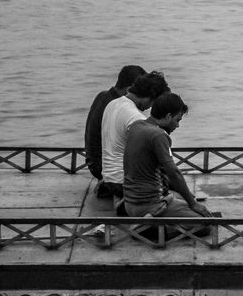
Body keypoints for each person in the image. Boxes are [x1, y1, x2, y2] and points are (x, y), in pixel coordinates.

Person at [123, 92, 215, 240]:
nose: (177, 125)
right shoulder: (158, 135)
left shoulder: (136, 126)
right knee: (204, 224)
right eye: (177, 120)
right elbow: (174, 173)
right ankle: (153, 230)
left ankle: (153, 221)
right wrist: (193, 203)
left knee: (181, 197)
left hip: (129, 203)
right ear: (168, 116)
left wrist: (186, 198)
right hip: (151, 205)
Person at [101, 71, 169, 214]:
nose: (150, 107)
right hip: (125, 182)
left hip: (108, 177)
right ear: (149, 97)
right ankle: (131, 205)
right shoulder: (136, 118)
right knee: (165, 184)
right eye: (152, 102)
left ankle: (121, 199)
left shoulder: (112, 104)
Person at [84, 65, 146, 198]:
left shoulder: (103, 96)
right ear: (130, 88)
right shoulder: (118, 105)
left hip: (94, 162)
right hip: (103, 167)